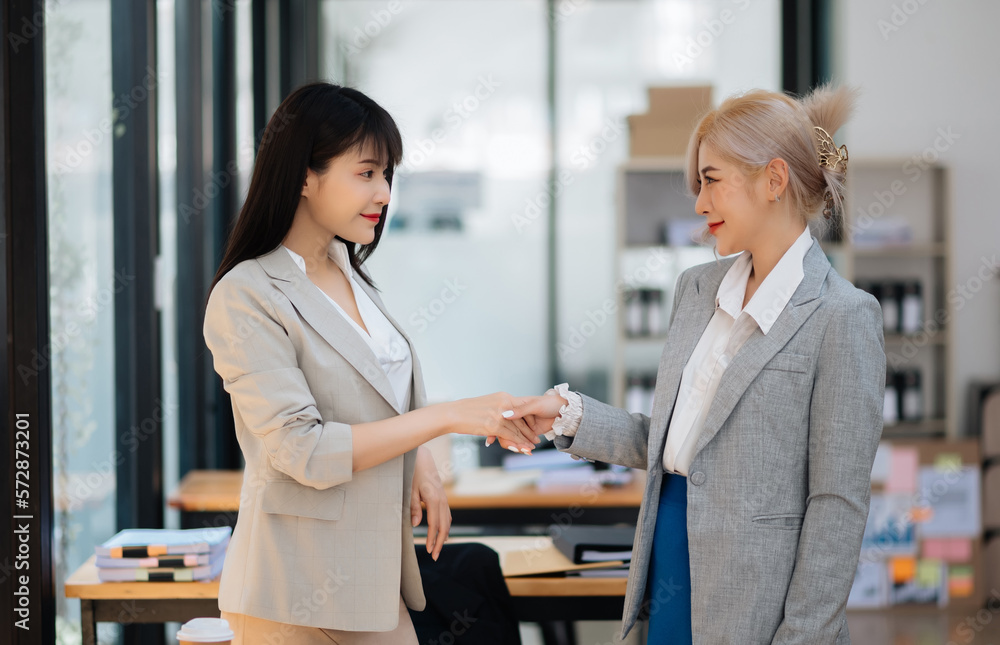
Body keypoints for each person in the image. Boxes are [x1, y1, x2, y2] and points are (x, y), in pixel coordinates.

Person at [509, 85, 885, 644]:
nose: (699, 203)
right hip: (671, 558)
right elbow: (677, 441)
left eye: (711, 180)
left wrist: (803, 636)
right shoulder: (696, 290)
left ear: (773, 179)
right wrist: (568, 415)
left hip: (761, 602)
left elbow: (837, 505)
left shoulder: (843, 316)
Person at [203, 82, 539, 645]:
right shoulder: (247, 294)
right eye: (366, 173)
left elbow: (382, 391)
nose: (384, 192)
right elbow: (302, 450)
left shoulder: (346, 270)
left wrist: (424, 467)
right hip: (297, 591)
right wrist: (448, 418)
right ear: (305, 176)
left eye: (388, 175)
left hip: (374, 580)